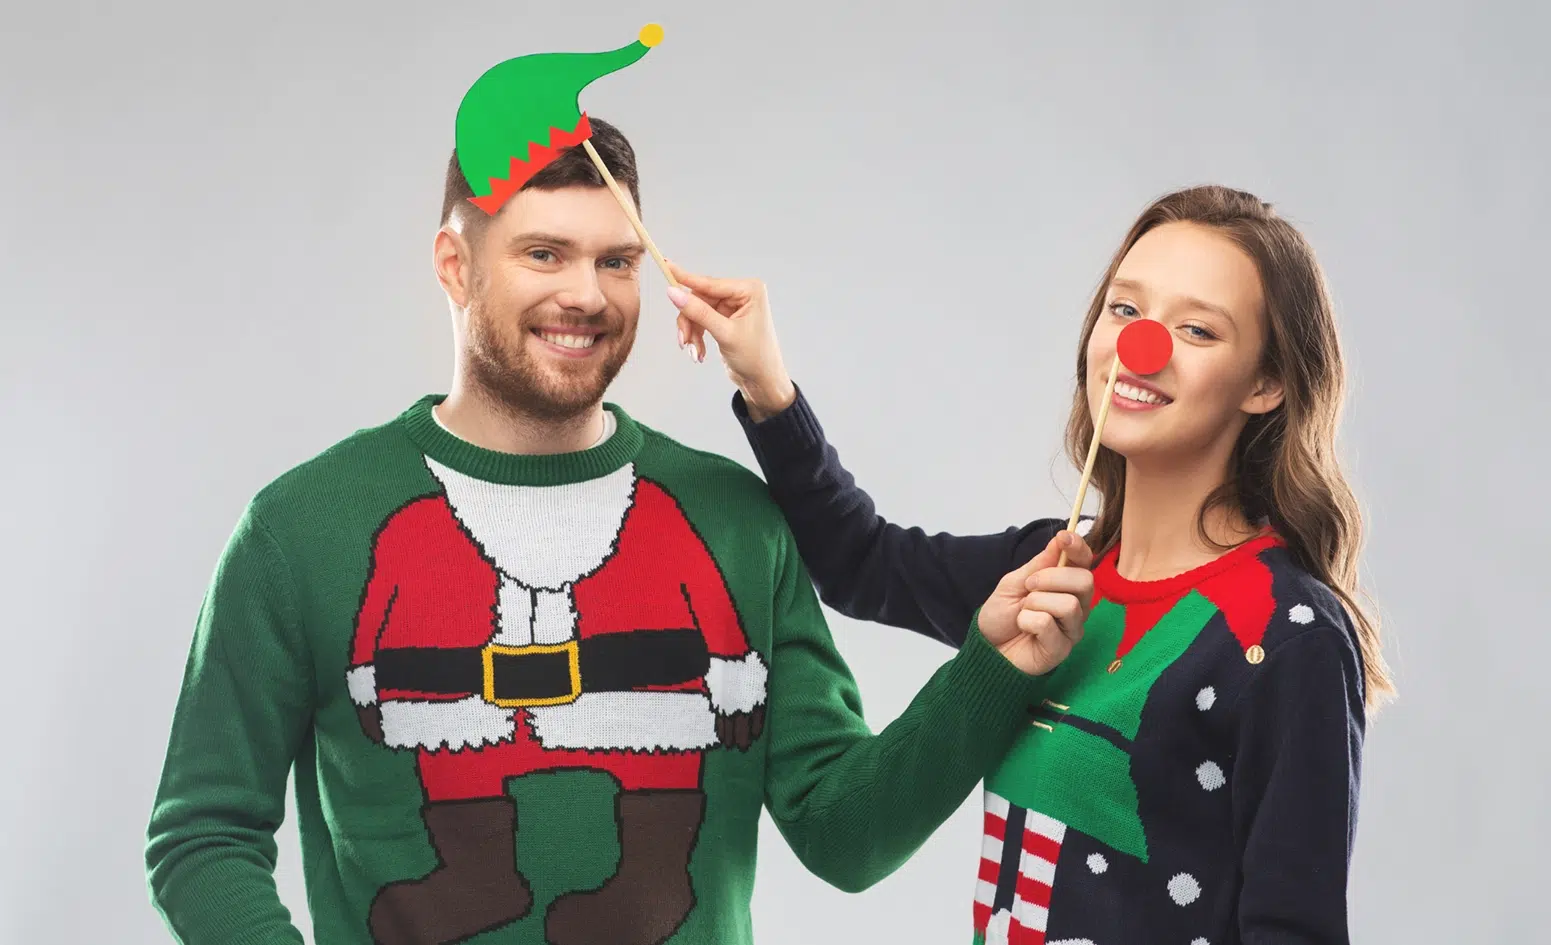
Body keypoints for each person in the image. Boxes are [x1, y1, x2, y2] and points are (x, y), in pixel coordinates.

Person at [143, 118, 1097, 945]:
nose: (588, 296)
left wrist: (989, 671)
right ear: (454, 265)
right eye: (544, 254)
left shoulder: (732, 521)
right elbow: (202, 835)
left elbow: (845, 836)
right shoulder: (302, 526)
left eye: (617, 260)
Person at [667, 184, 1394, 945]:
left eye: (1198, 329)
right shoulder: (1048, 571)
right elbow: (861, 562)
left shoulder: (1289, 633)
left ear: (1266, 383)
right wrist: (765, 383)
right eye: (1125, 310)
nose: (1142, 346)